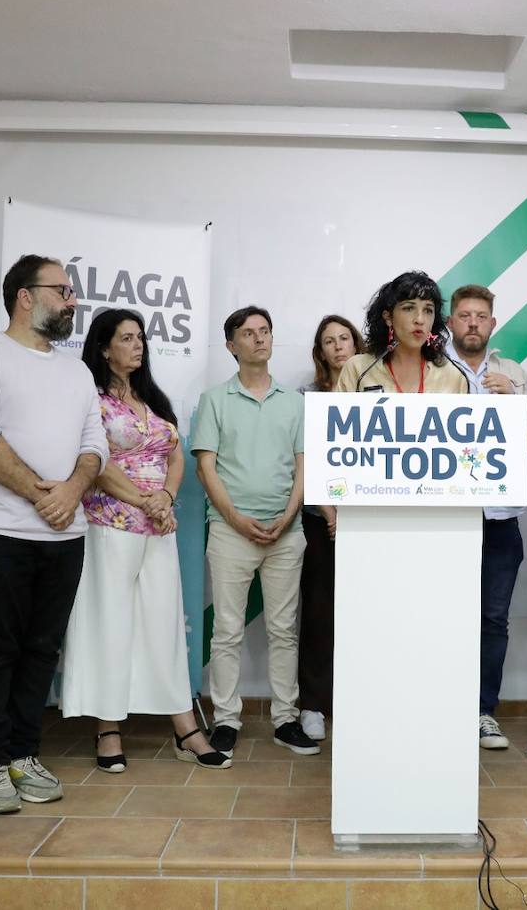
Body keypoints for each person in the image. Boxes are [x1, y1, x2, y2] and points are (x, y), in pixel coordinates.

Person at [0, 254, 109, 814]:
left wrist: (73, 490)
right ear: (24, 296)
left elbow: (96, 445)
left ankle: (22, 753)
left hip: (64, 536)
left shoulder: (78, 371)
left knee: (41, 650)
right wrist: (46, 494)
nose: (72, 300)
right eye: (62, 290)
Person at [61, 309, 230, 772]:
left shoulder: (152, 399)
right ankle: (108, 727)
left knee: (163, 626)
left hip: (158, 526)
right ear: (103, 347)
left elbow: (175, 455)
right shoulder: (90, 398)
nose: (137, 346)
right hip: (109, 523)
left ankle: (185, 727)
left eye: (140, 338)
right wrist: (142, 499)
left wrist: (165, 498)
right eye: (127, 338)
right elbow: (95, 460)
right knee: (110, 624)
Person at [191, 306, 318, 758]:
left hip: (287, 531)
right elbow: (206, 467)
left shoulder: (295, 402)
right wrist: (235, 518)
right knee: (227, 631)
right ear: (232, 345)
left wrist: (288, 515)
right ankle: (225, 720)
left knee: (284, 629)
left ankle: (285, 718)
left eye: (265, 331)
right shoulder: (214, 400)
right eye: (249, 333)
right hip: (230, 531)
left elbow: (305, 464)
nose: (259, 338)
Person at [444, 284, 527, 752]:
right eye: (464, 315)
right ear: (450, 323)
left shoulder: (511, 371)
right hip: (446, 514)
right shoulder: (434, 368)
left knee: (493, 618)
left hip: (499, 514)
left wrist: (511, 396)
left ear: (492, 324)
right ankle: (440, 707)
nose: (472, 322)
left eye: (481, 316)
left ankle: (483, 711)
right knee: (444, 615)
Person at [295, 314, 367, 742]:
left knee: (366, 616)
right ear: (320, 352)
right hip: (322, 521)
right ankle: (314, 706)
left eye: (345, 339)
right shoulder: (310, 398)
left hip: (371, 521)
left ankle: (357, 700)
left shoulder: (378, 392)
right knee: (321, 615)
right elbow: (311, 461)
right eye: (329, 341)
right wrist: (330, 514)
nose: (339, 347)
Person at [335, 271, 468, 394]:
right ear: (388, 317)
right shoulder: (359, 369)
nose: (420, 320)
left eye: (428, 310)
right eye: (409, 308)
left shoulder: (453, 376)